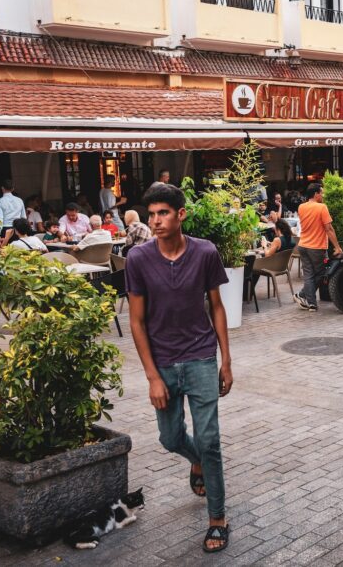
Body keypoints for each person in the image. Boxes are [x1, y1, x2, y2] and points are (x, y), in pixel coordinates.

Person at [125, 182, 232, 553]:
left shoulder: (205, 252)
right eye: (151, 214)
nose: (156, 221)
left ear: (180, 214)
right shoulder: (138, 259)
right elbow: (136, 321)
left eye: (164, 213)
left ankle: (217, 519)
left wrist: (226, 360)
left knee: (210, 440)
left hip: (201, 356)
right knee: (170, 438)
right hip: (164, 363)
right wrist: (152, 377)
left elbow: (217, 306)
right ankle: (196, 461)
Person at [294, 183, 342, 311]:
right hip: (316, 247)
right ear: (316, 194)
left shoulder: (301, 207)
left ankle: (311, 303)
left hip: (303, 245)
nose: (323, 195)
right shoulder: (322, 207)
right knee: (322, 273)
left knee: (309, 275)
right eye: (322, 192)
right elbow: (329, 229)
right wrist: (337, 247)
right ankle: (302, 295)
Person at [0, 179, 26, 243]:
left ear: (2, 188)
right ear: (13, 189)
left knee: (7, 248)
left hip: (6, 229)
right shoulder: (19, 200)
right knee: (19, 247)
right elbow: (23, 217)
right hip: (18, 229)